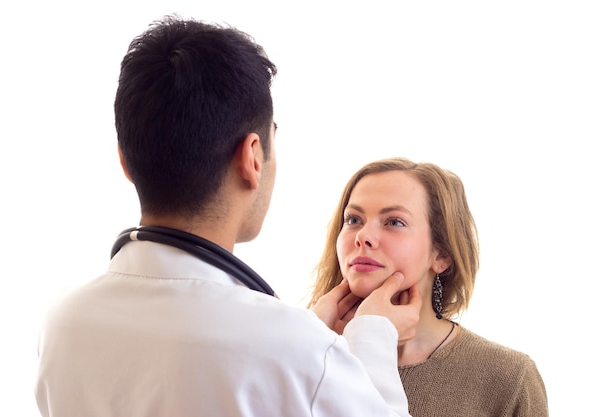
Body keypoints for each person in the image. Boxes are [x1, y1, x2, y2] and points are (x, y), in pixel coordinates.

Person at [34, 15, 422, 417]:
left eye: (394, 221)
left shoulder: (63, 323)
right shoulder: (296, 349)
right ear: (252, 156)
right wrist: (372, 336)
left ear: (125, 161)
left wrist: (305, 342)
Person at [307, 157, 549, 417]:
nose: (362, 236)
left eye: (394, 222)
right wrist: (307, 345)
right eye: (354, 219)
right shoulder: (306, 349)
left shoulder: (508, 379)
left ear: (442, 254)